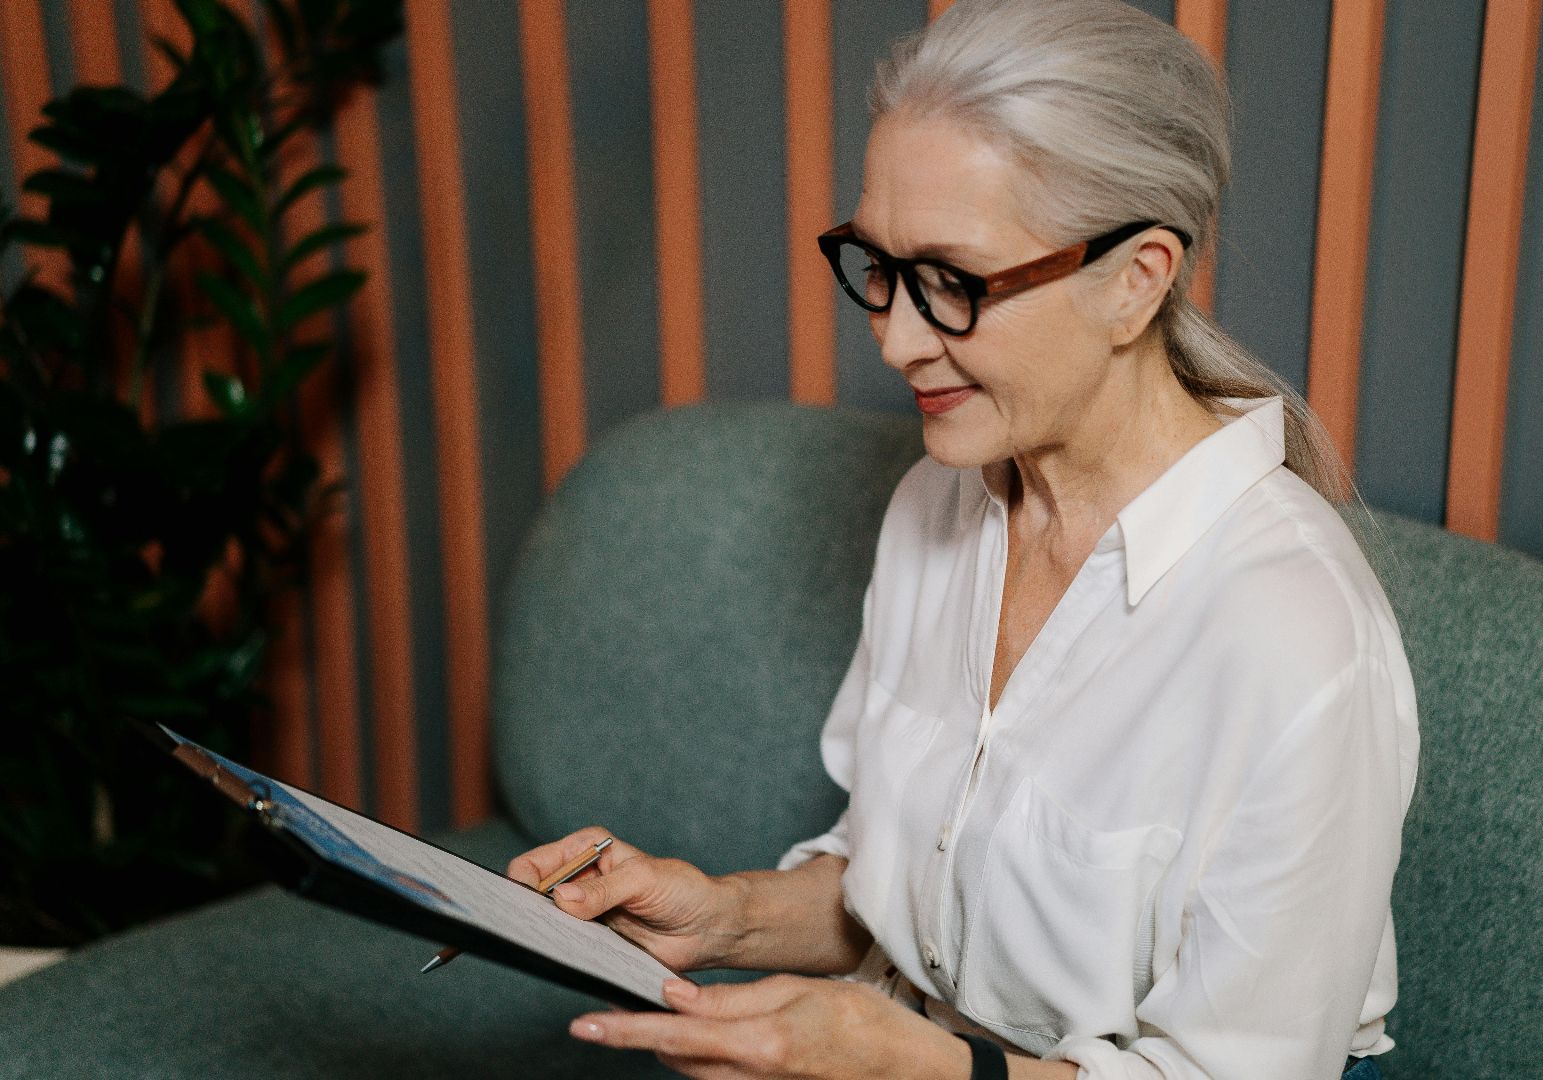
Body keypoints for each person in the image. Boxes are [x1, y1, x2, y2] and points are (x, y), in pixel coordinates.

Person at [507, 1, 1418, 1076]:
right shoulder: (937, 506)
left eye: (954, 283)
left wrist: (915, 1065)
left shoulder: (1296, 636)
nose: (895, 338)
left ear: (1137, 280)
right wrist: (724, 918)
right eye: (880, 268)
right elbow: (901, 894)